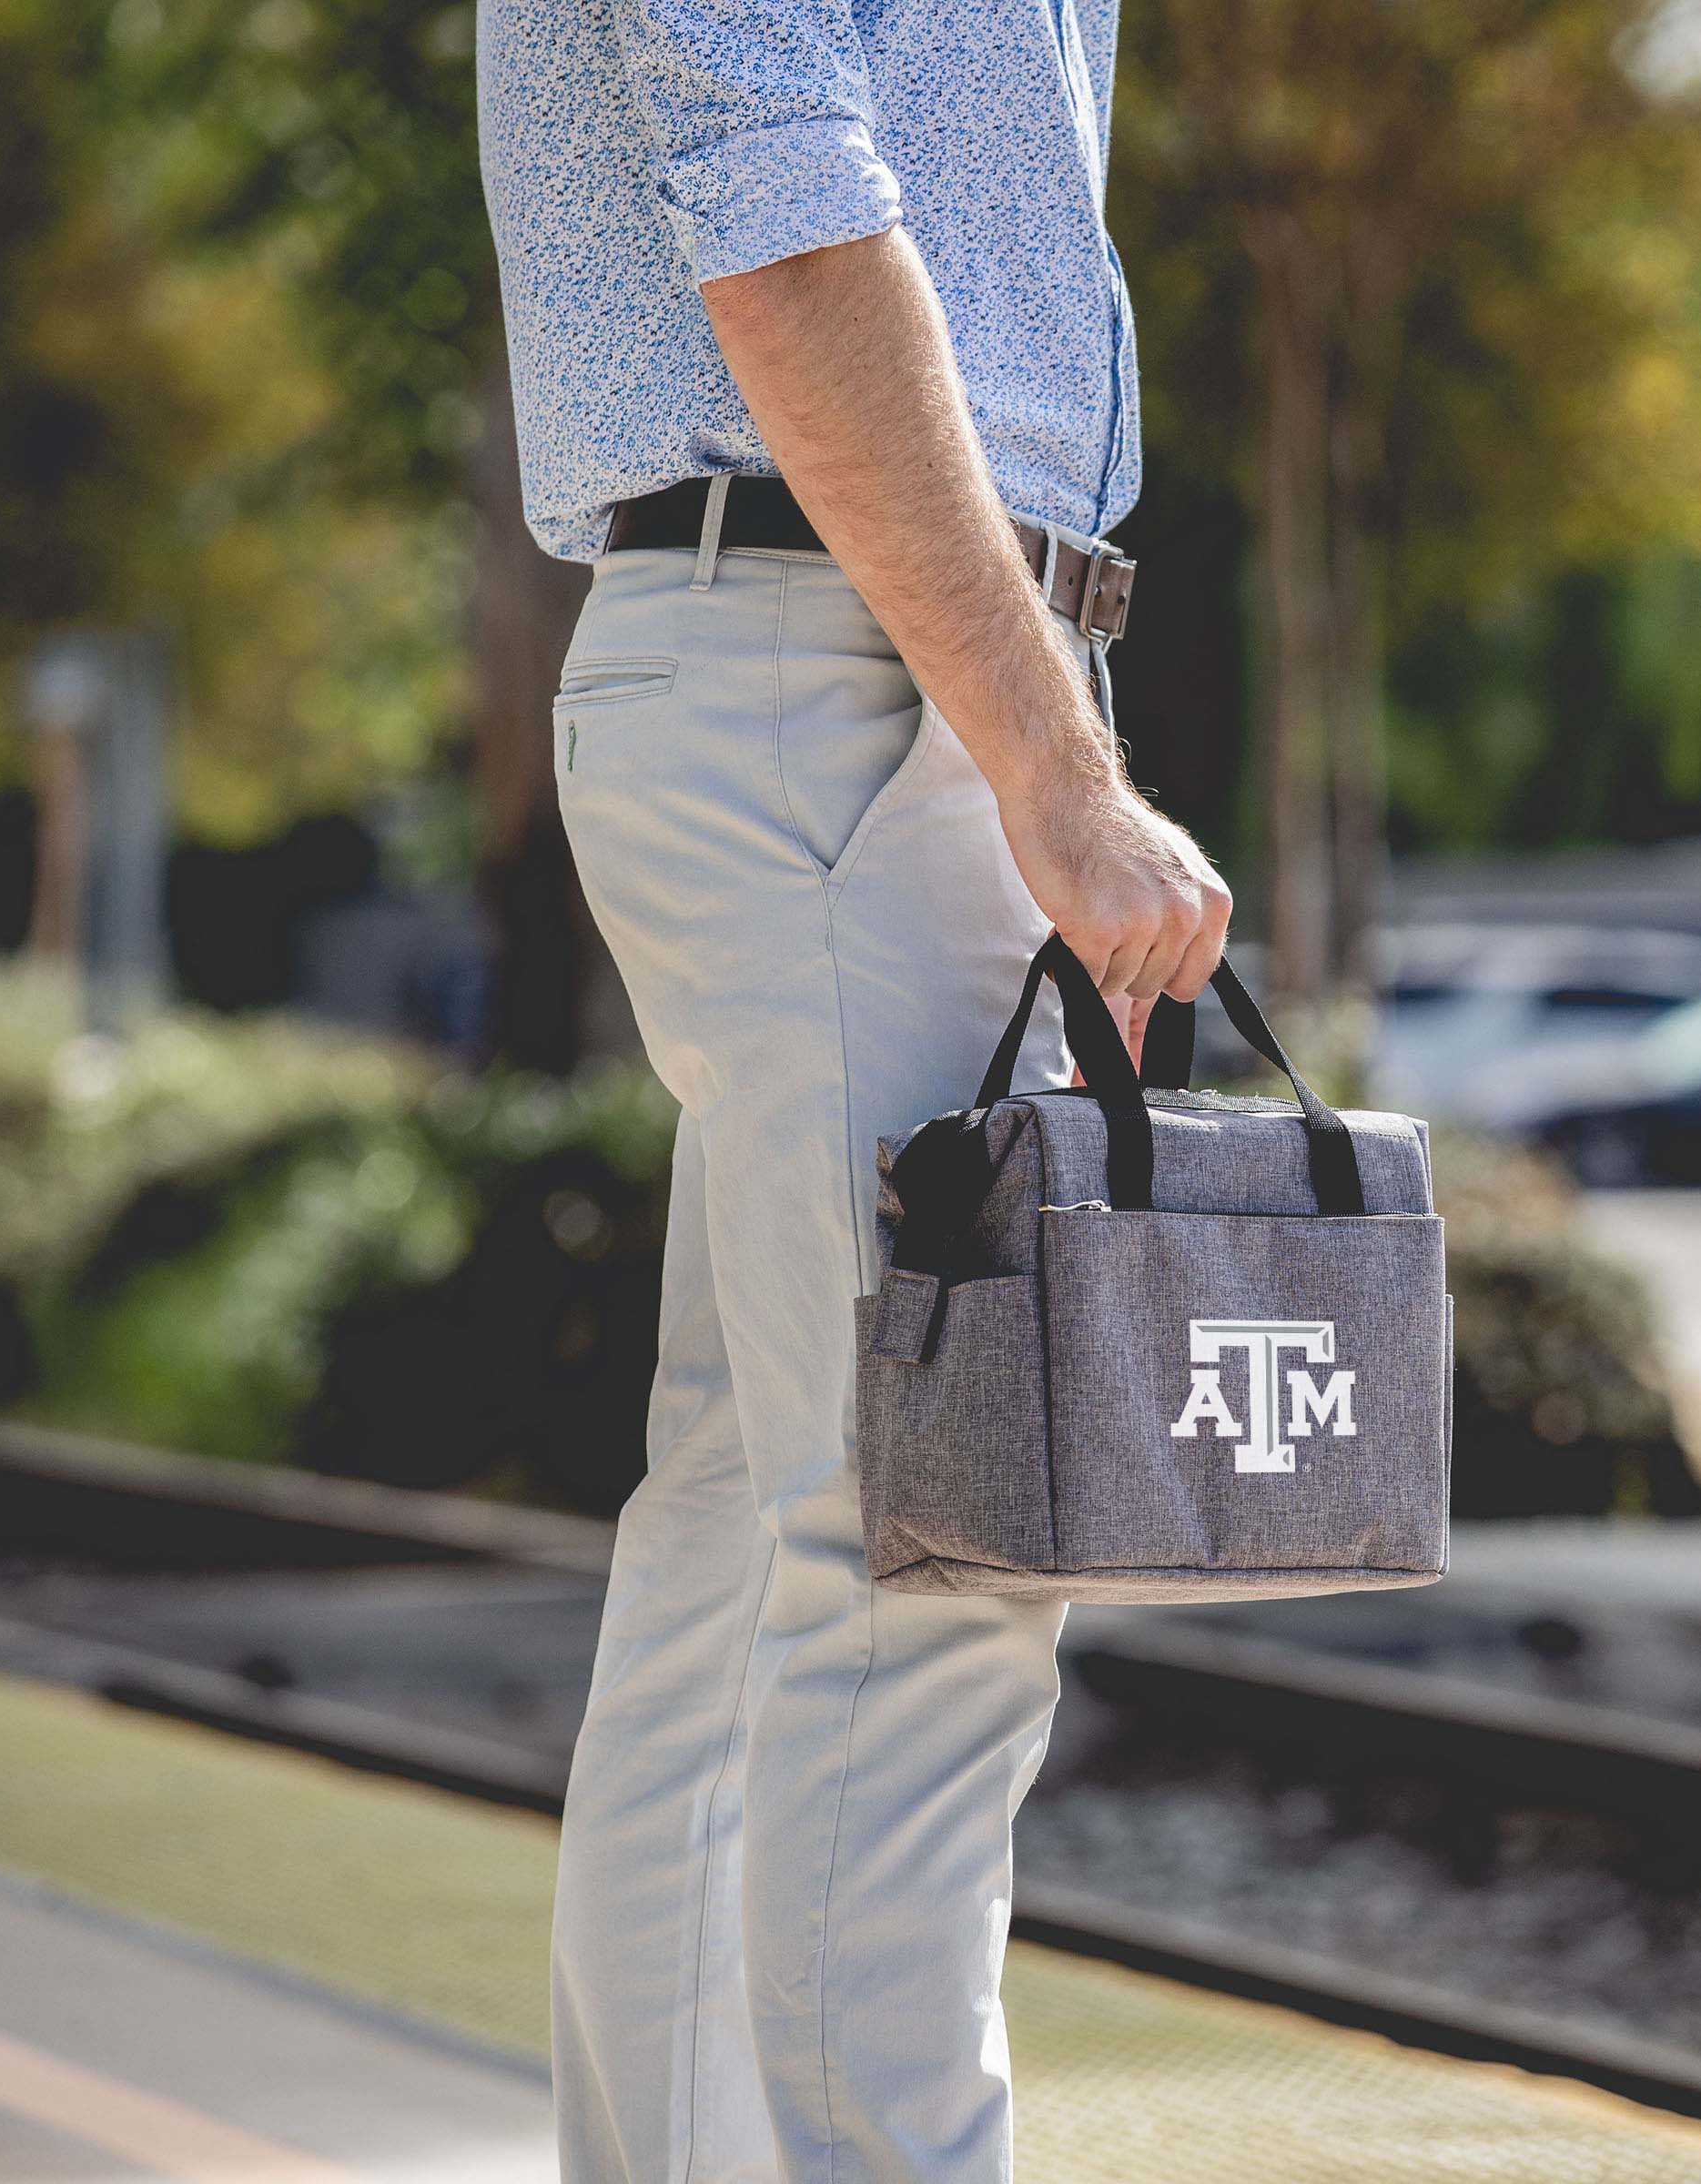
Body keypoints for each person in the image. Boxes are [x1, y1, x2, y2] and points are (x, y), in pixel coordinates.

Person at [475, 0, 1229, 2171]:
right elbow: (786, 218)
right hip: (853, 683)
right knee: (935, 1555)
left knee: (750, 1534)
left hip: (839, 659)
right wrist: (1055, 774)